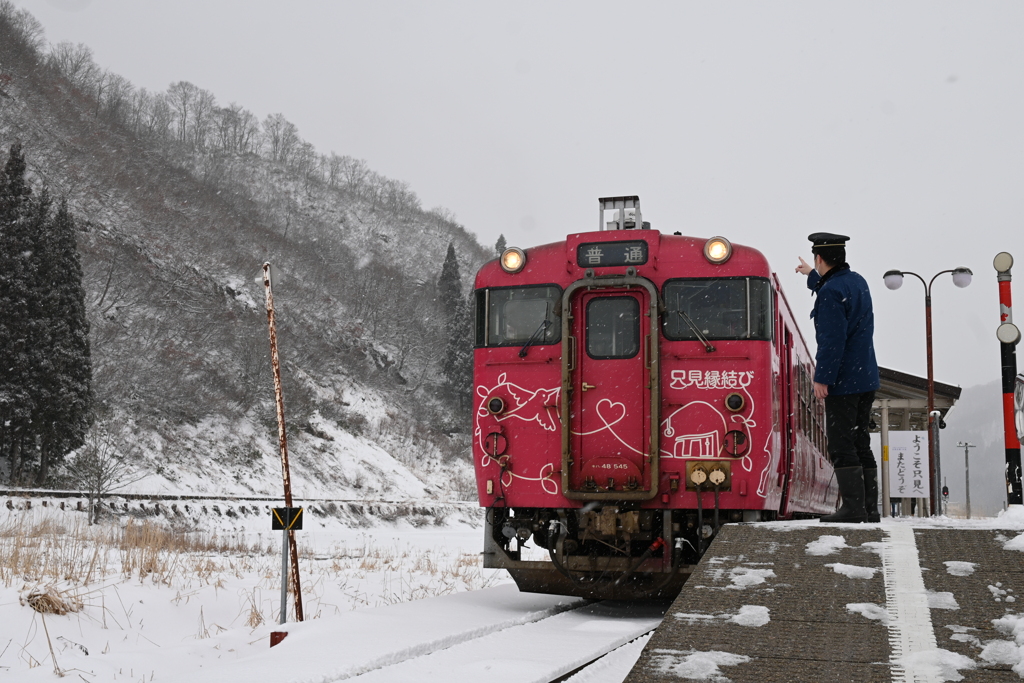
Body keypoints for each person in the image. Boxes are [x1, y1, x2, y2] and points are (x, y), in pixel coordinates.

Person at [795, 233, 881, 523]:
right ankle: (870, 509)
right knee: (860, 441)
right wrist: (811, 275)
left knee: (841, 444)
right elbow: (832, 285)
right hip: (866, 377)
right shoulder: (857, 281)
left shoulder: (830, 292)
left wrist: (823, 378)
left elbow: (832, 341)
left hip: (844, 381)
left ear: (820, 258)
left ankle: (852, 508)